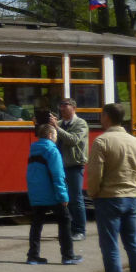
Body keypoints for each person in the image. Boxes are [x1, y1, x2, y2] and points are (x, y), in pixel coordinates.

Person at [85, 103, 136, 272]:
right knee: (133, 244)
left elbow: (95, 174)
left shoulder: (101, 142)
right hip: (130, 198)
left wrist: (93, 193)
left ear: (106, 117)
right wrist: (133, 188)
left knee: (110, 246)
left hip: (108, 198)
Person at [25, 122, 78, 265]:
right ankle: (68, 255)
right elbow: (58, 175)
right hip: (52, 194)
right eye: (55, 135)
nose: (56, 138)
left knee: (36, 224)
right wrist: (63, 196)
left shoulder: (34, 149)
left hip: (37, 194)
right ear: (50, 135)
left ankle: (33, 256)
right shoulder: (52, 150)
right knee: (65, 220)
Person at [51, 98, 89, 241]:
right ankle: (68, 230)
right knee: (63, 199)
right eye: (60, 106)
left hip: (74, 165)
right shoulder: (59, 124)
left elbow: (73, 140)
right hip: (60, 166)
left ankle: (80, 230)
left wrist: (57, 128)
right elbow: (50, 138)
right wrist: (42, 125)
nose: (62, 108)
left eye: (65, 105)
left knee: (76, 198)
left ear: (74, 107)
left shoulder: (81, 124)